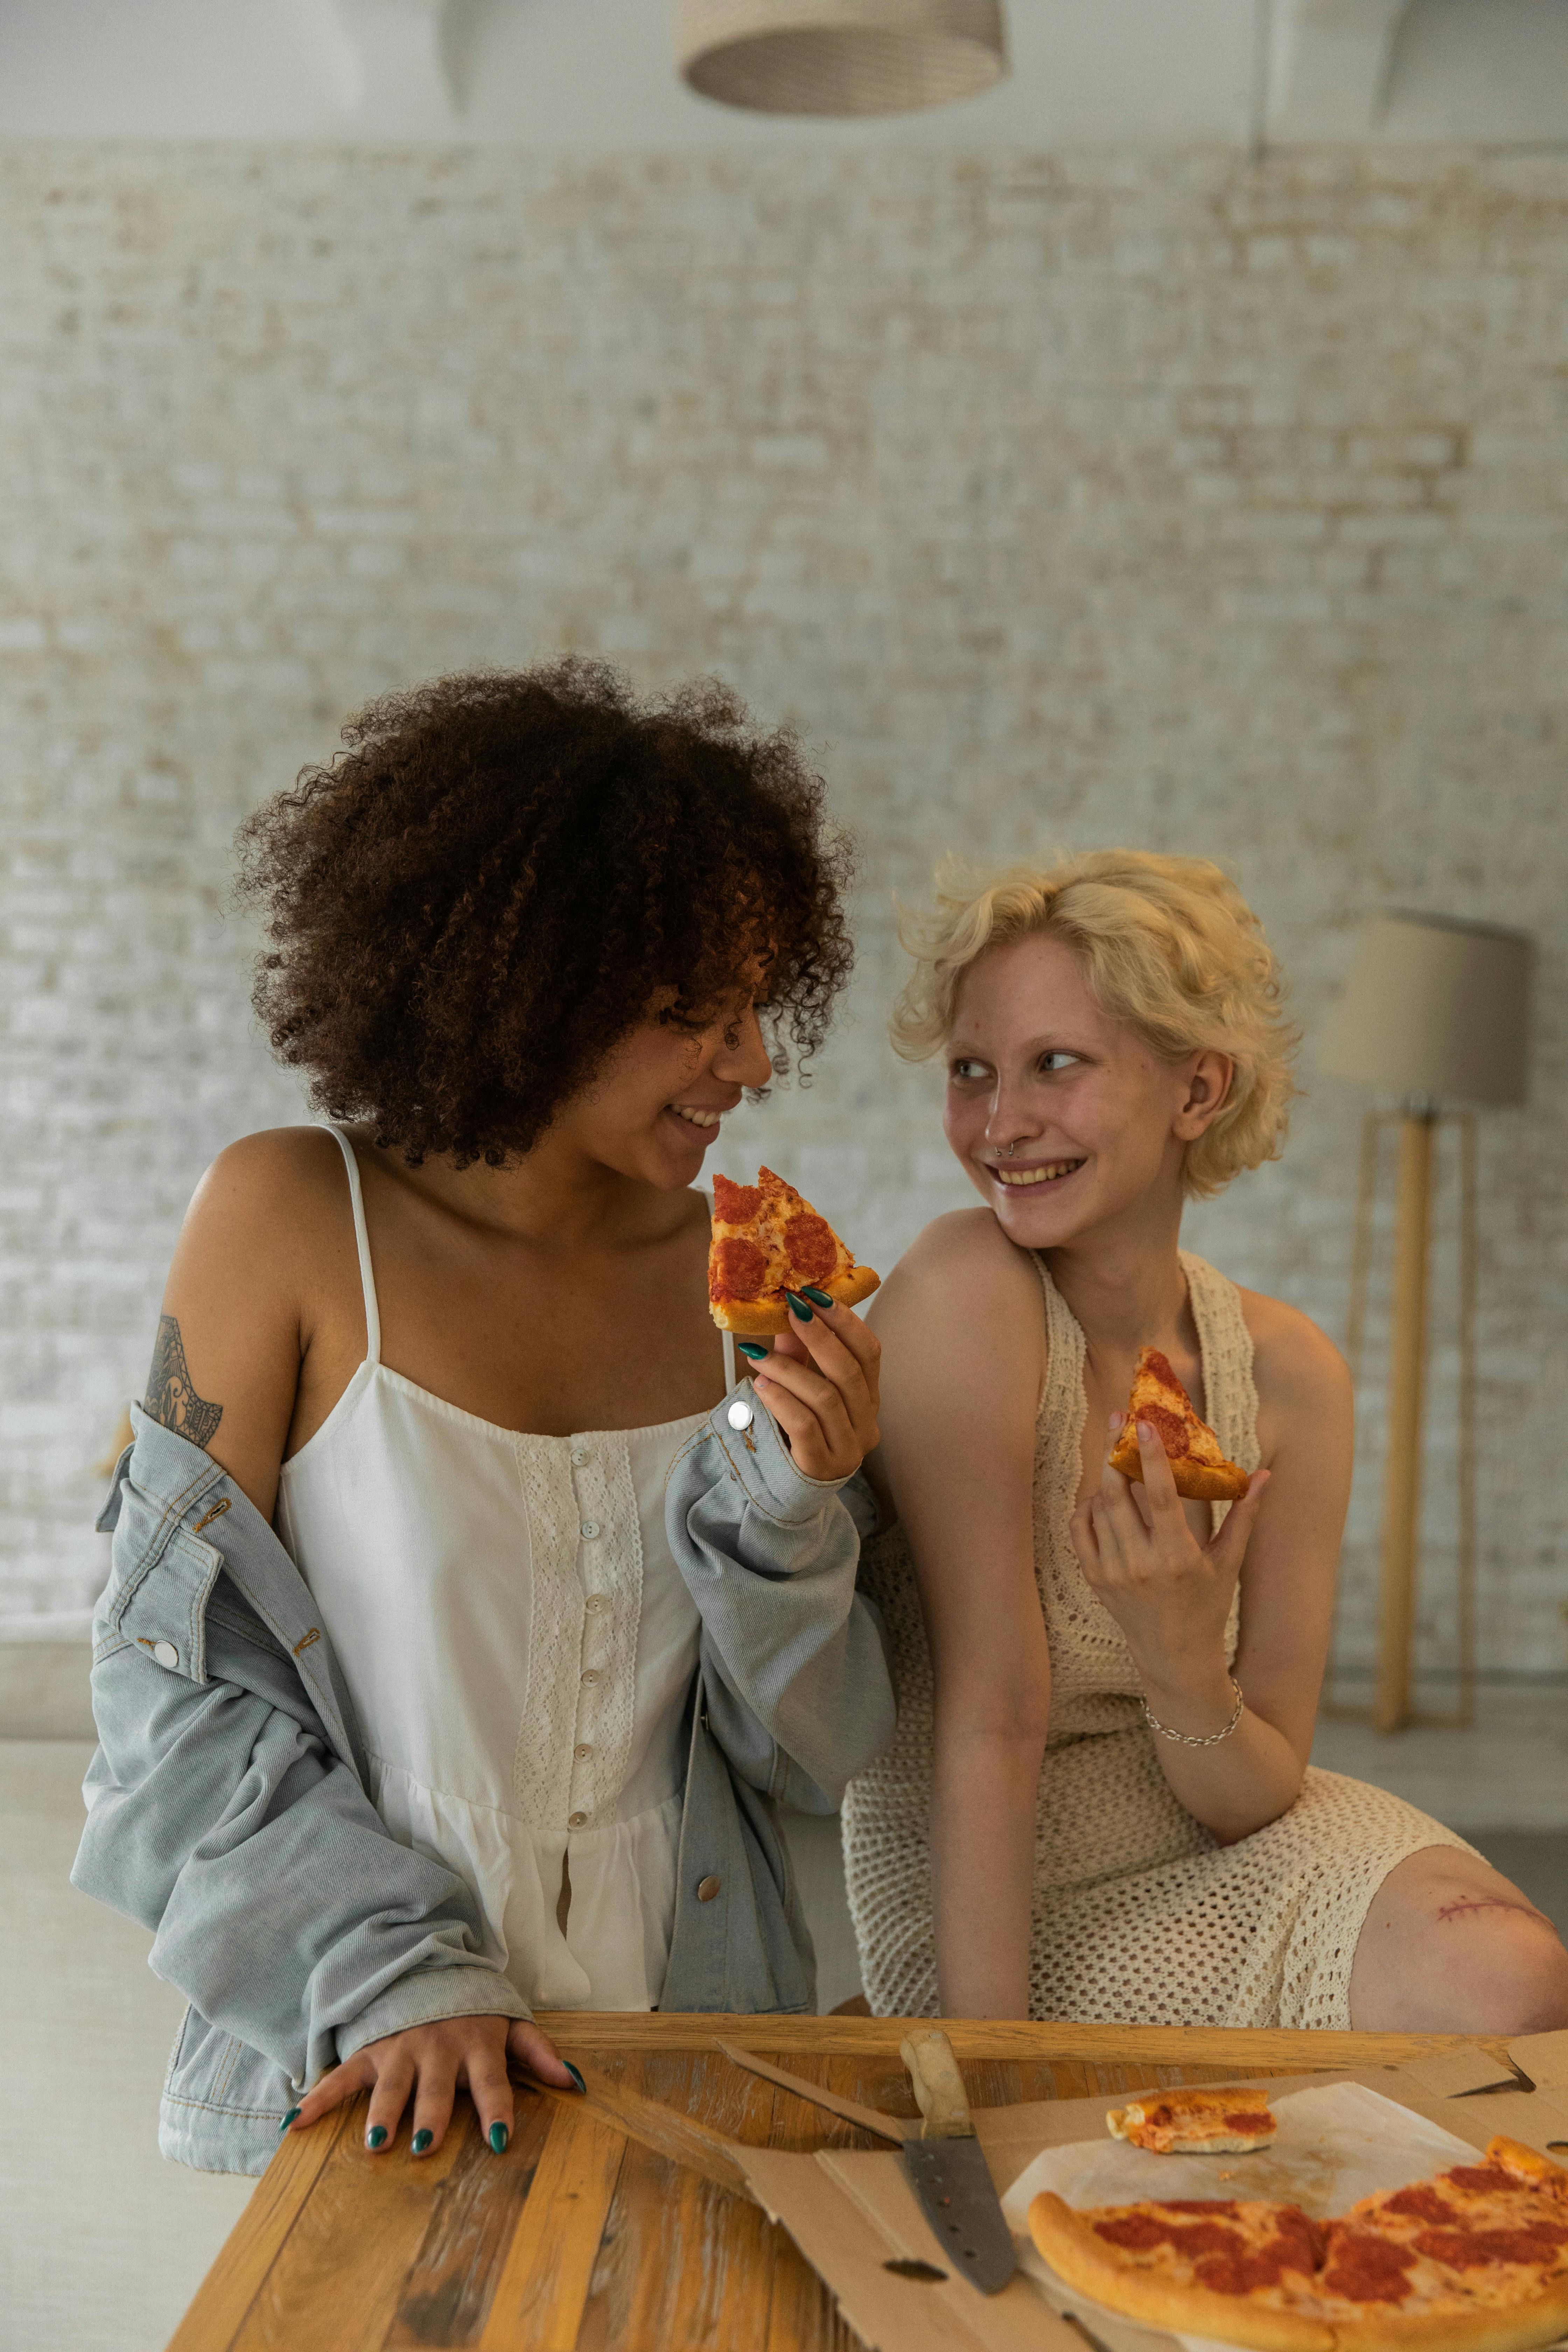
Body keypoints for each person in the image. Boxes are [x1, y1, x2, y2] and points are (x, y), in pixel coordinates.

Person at [73, 662, 894, 2176]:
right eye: (686, 1013)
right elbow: (160, 1706)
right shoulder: (293, 1217)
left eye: (759, 1003)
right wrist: (395, 1976)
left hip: (692, 2037)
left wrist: (796, 1519)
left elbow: (812, 1761)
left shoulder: (752, 1292)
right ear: (526, 990)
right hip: (366, 2056)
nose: (754, 1060)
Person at [844, 850, 1568, 2033]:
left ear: (1197, 1093)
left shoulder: (1290, 1376)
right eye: (972, 1071)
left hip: (1231, 1836)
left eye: (1056, 1066)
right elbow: (992, 1717)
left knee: (1519, 1976)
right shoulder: (965, 1294)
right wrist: (987, 2069)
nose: (1001, 1123)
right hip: (1002, 1891)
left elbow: (1255, 1797)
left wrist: (1183, 1659)